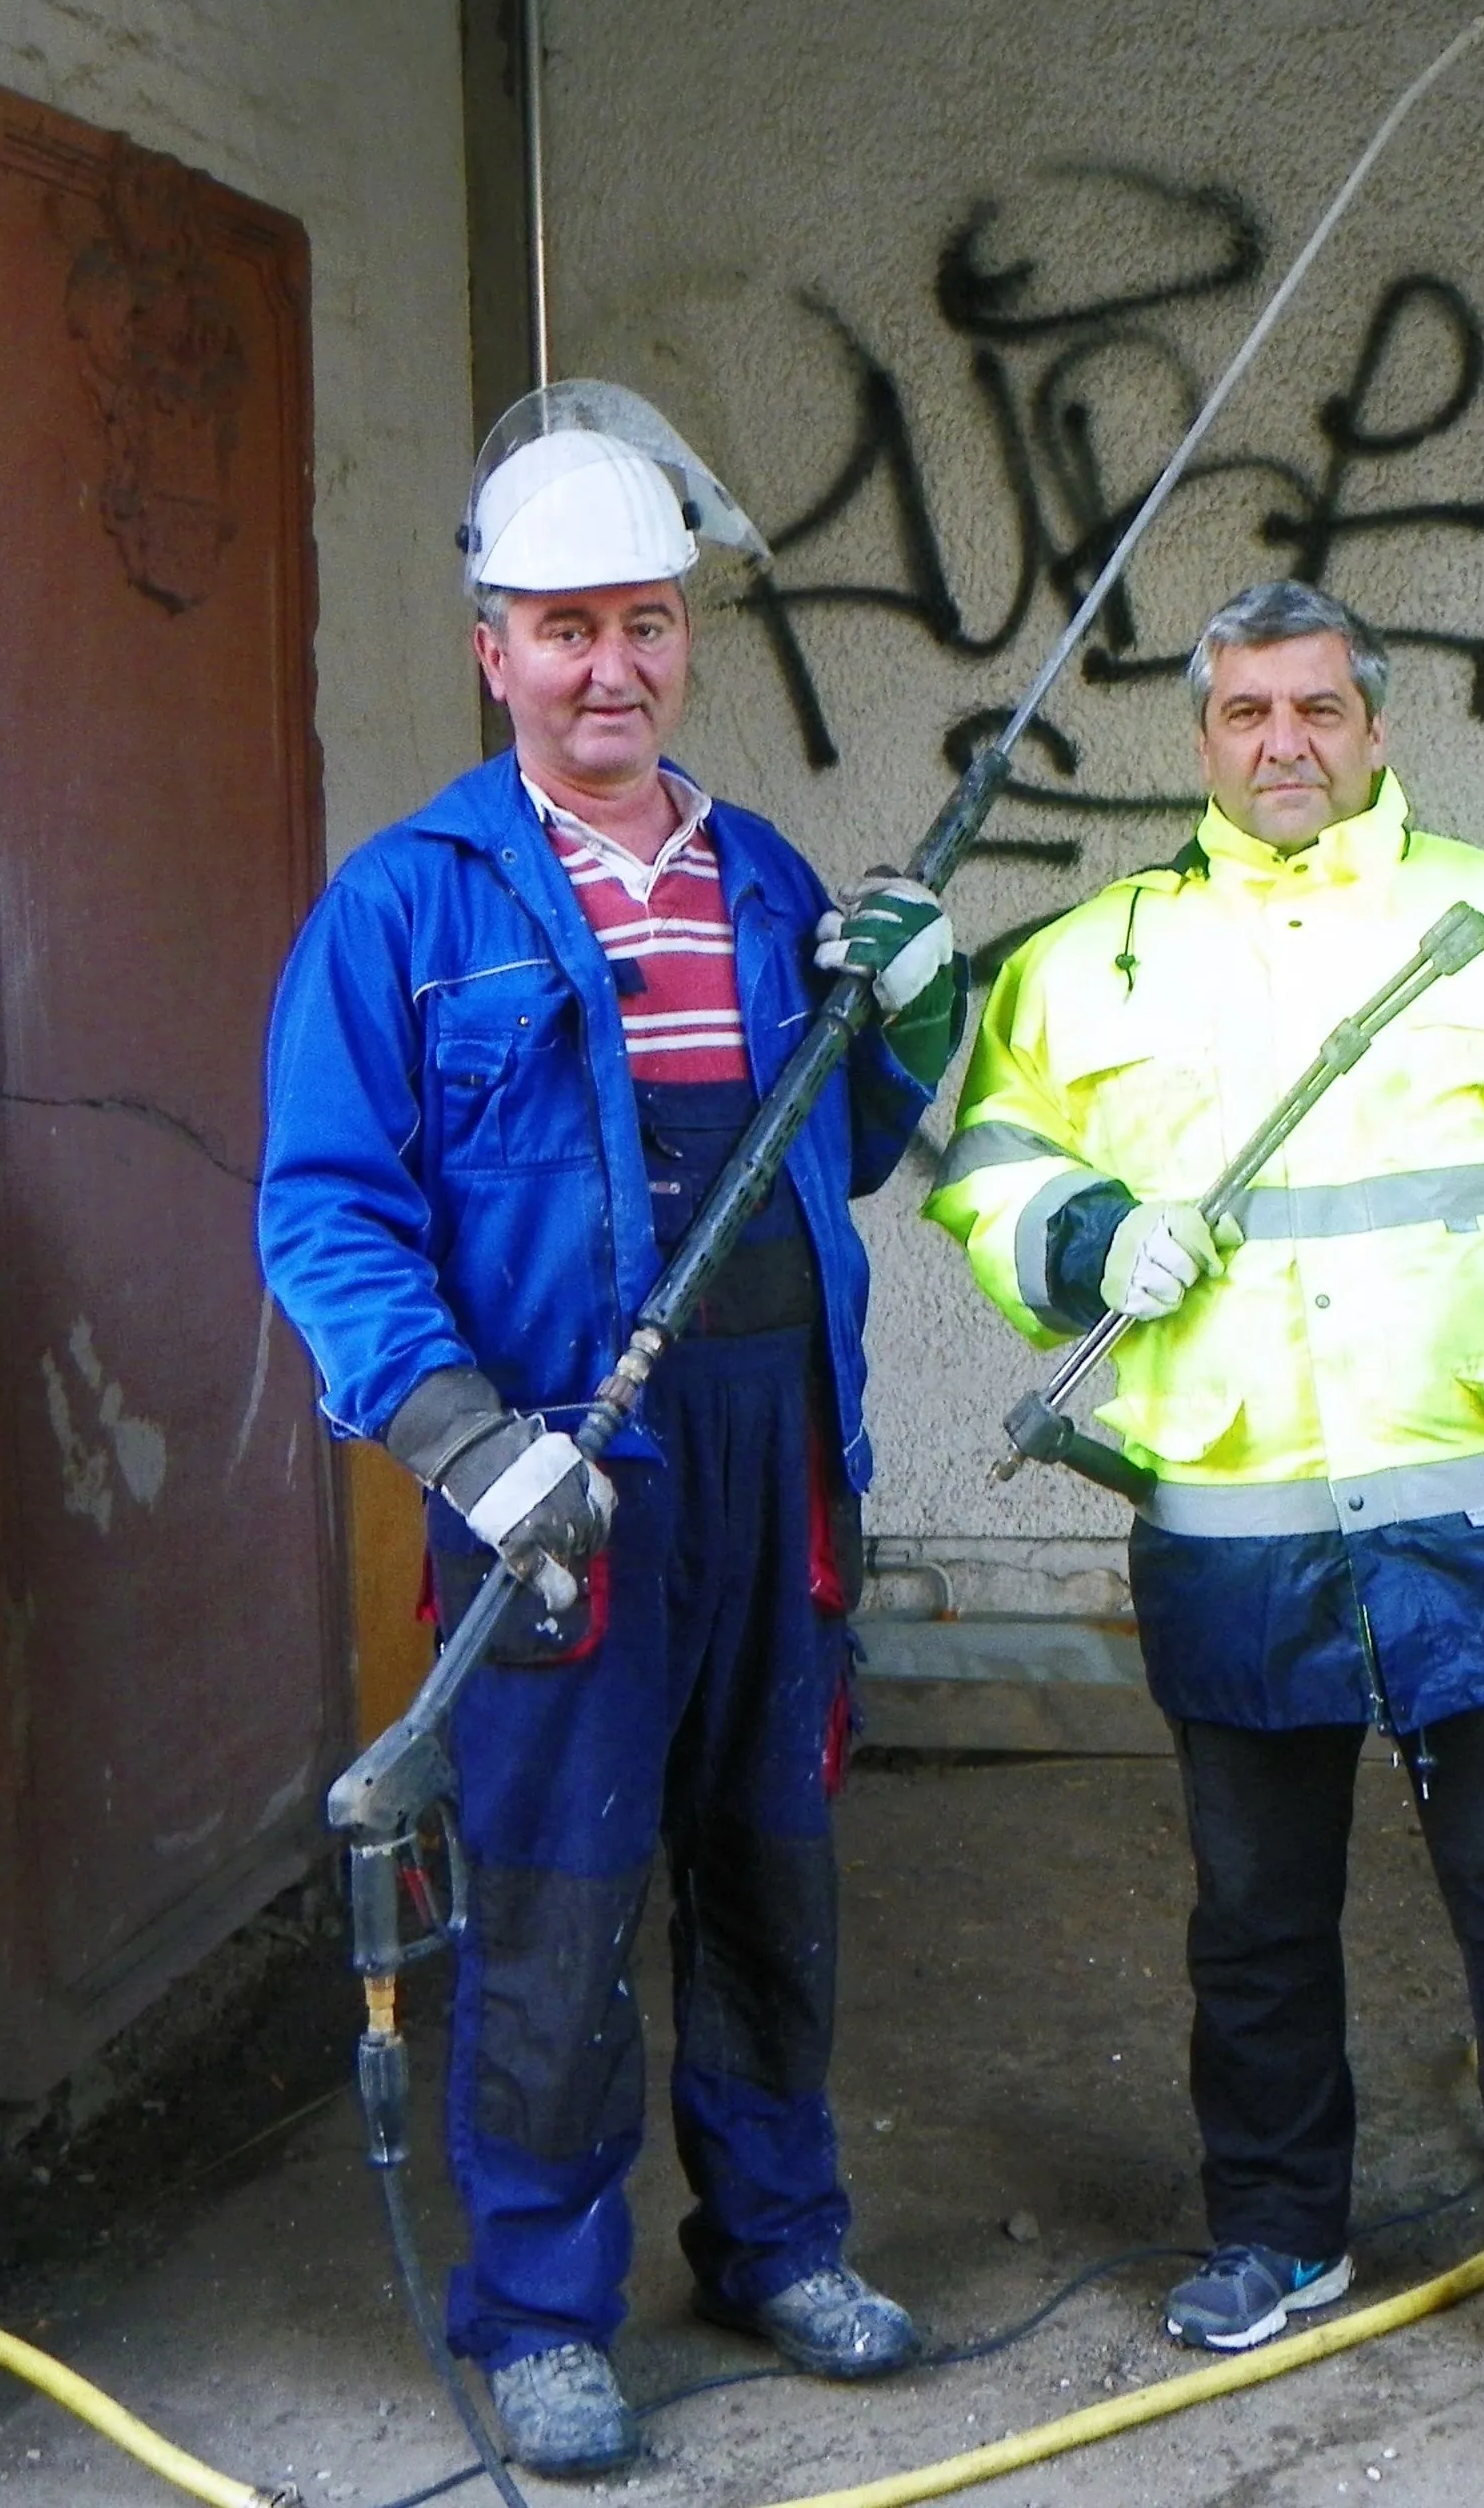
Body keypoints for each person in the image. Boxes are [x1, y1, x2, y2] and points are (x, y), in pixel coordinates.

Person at [259, 383, 960, 2478]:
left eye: (644, 621)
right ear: (492, 649)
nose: (608, 666)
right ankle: (540, 2304)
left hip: (768, 1449)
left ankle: (772, 2235)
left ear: (681, 637)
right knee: (559, 1894)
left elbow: (834, 1152)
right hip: (551, 1470)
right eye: (561, 627)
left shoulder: (758, 876)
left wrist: (908, 1007)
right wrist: (468, 1437)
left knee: (769, 1860)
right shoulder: (406, 907)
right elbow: (325, 1207)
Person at [926, 579, 1484, 2443]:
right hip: (1238, 1532)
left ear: (1375, 726)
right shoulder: (1096, 959)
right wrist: (1093, 1233)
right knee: (1254, 1923)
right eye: (1245, 716)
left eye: (1316, 711)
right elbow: (989, 1170)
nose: (1283, 745)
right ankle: (1277, 2235)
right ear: (1199, 740)